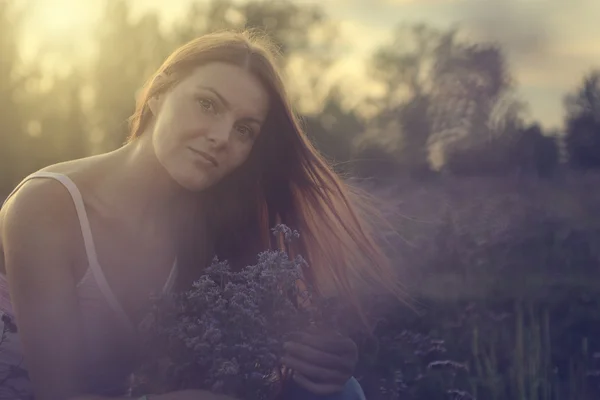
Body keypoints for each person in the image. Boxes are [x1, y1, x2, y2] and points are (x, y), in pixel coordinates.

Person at [0, 30, 406, 400]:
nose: (220, 137)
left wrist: (319, 359)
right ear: (158, 92)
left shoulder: (211, 222)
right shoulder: (47, 206)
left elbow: (246, 361)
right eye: (208, 105)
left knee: (341, 392)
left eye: (245, 130)